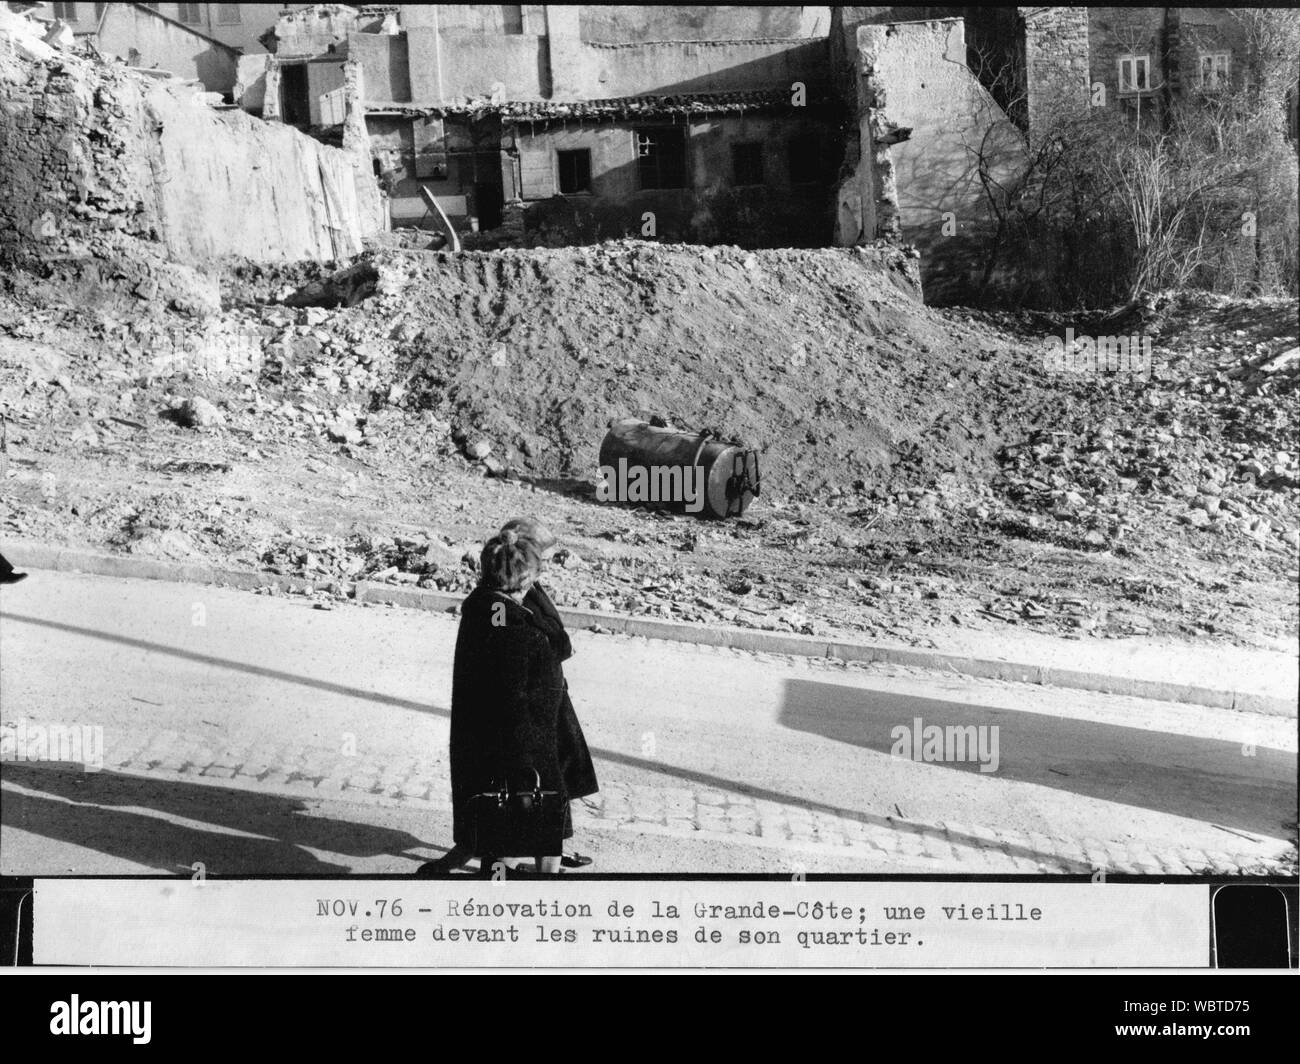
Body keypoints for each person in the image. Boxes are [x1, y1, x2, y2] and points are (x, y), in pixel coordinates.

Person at [423, 530, 569, 877]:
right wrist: (528, 753)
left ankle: (503, 867)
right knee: (535, 813)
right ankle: (530, 881)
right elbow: (514, 692)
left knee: (514, 819)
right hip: (525, 745)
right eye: (534, 574)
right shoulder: (510, 623)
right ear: (523, 579)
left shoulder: (487, 607)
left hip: (500, 739)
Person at [499, 517, 598, 870]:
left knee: (557, 780)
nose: (549, 565)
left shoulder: (529, 589)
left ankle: (549, 852)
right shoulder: (514, 596)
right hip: (537, 708)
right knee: (545, 783)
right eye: (545, 558)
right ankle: (537, 860)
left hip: (550, 699)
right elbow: (555, 641)